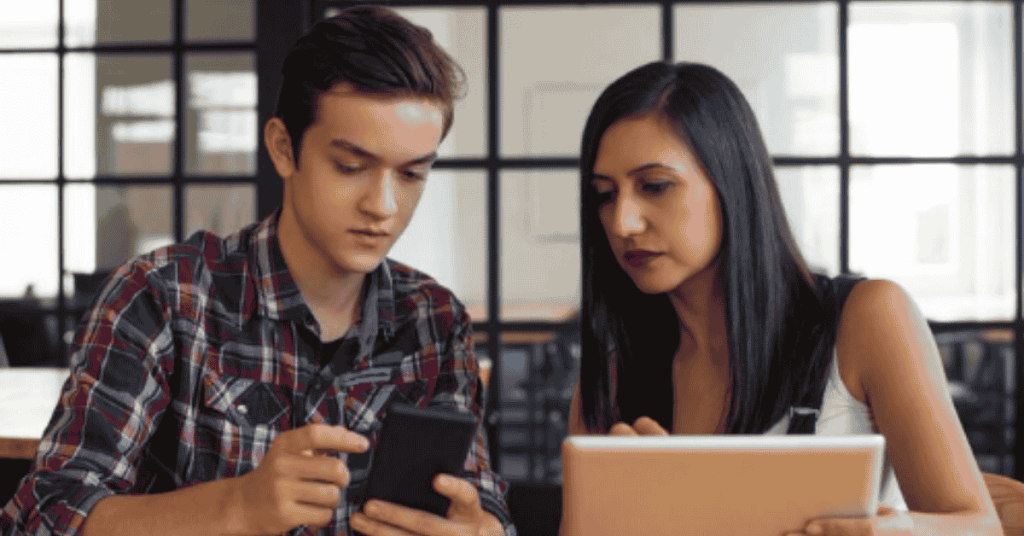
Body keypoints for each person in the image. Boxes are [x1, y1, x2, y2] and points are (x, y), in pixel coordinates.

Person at [1, 6, 514, 536]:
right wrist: (235, 508)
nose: (383, 206)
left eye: (411, 174)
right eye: (351, 166)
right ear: (283, 147)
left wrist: (483, 529)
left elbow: (482, 501)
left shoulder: (435, 321)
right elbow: (44, 517)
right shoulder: (160, 297)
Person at [568, 60, 1002, 536]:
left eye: (655, 186)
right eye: (605, 195)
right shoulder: (612, 376)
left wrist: (893, 532)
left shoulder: (866, 318)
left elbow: (979, 526)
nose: (622, 222)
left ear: (731, 181)